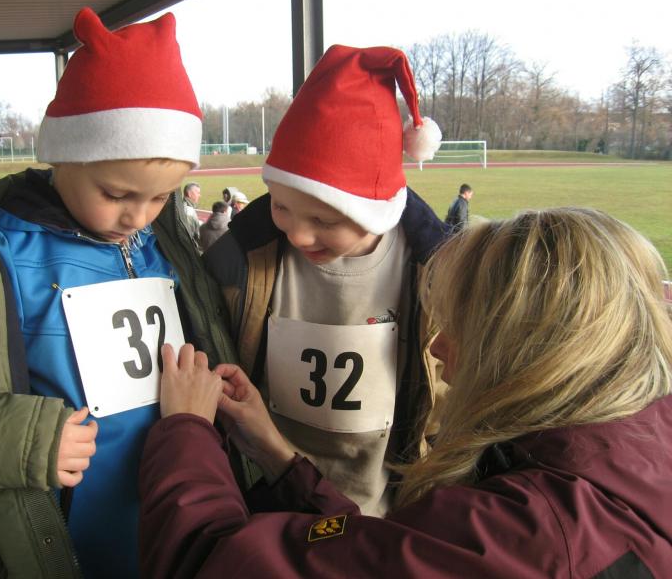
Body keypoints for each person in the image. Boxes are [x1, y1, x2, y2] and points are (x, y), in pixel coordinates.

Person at [0, 8, 236, 579]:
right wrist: (22, 442)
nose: (138, 217)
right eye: (116, 194)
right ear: (63, 154)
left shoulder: (166, 242)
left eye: (161, 197)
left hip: (180, 537)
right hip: (58, 551)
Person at [140, 207, 672, 577]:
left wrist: (186, 431)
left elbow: (211, 563)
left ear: (529, 352)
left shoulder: (529, 534)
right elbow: (388, 554)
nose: (437, 348)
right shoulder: (633, 455)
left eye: (462, 327)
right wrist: (279, 457)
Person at [203, 44, 445, 515]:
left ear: (375, 210)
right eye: (281, 207)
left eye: (324, 220)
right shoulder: (240, 259)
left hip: (385, 509)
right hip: (266, 505)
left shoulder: (436, 269)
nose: (297, 234)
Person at [182, 181, 202, 246]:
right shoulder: (189, 212)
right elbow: (190, 235)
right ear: (189, 194)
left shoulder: (182, 205)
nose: (199, 195)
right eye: (198, 193)